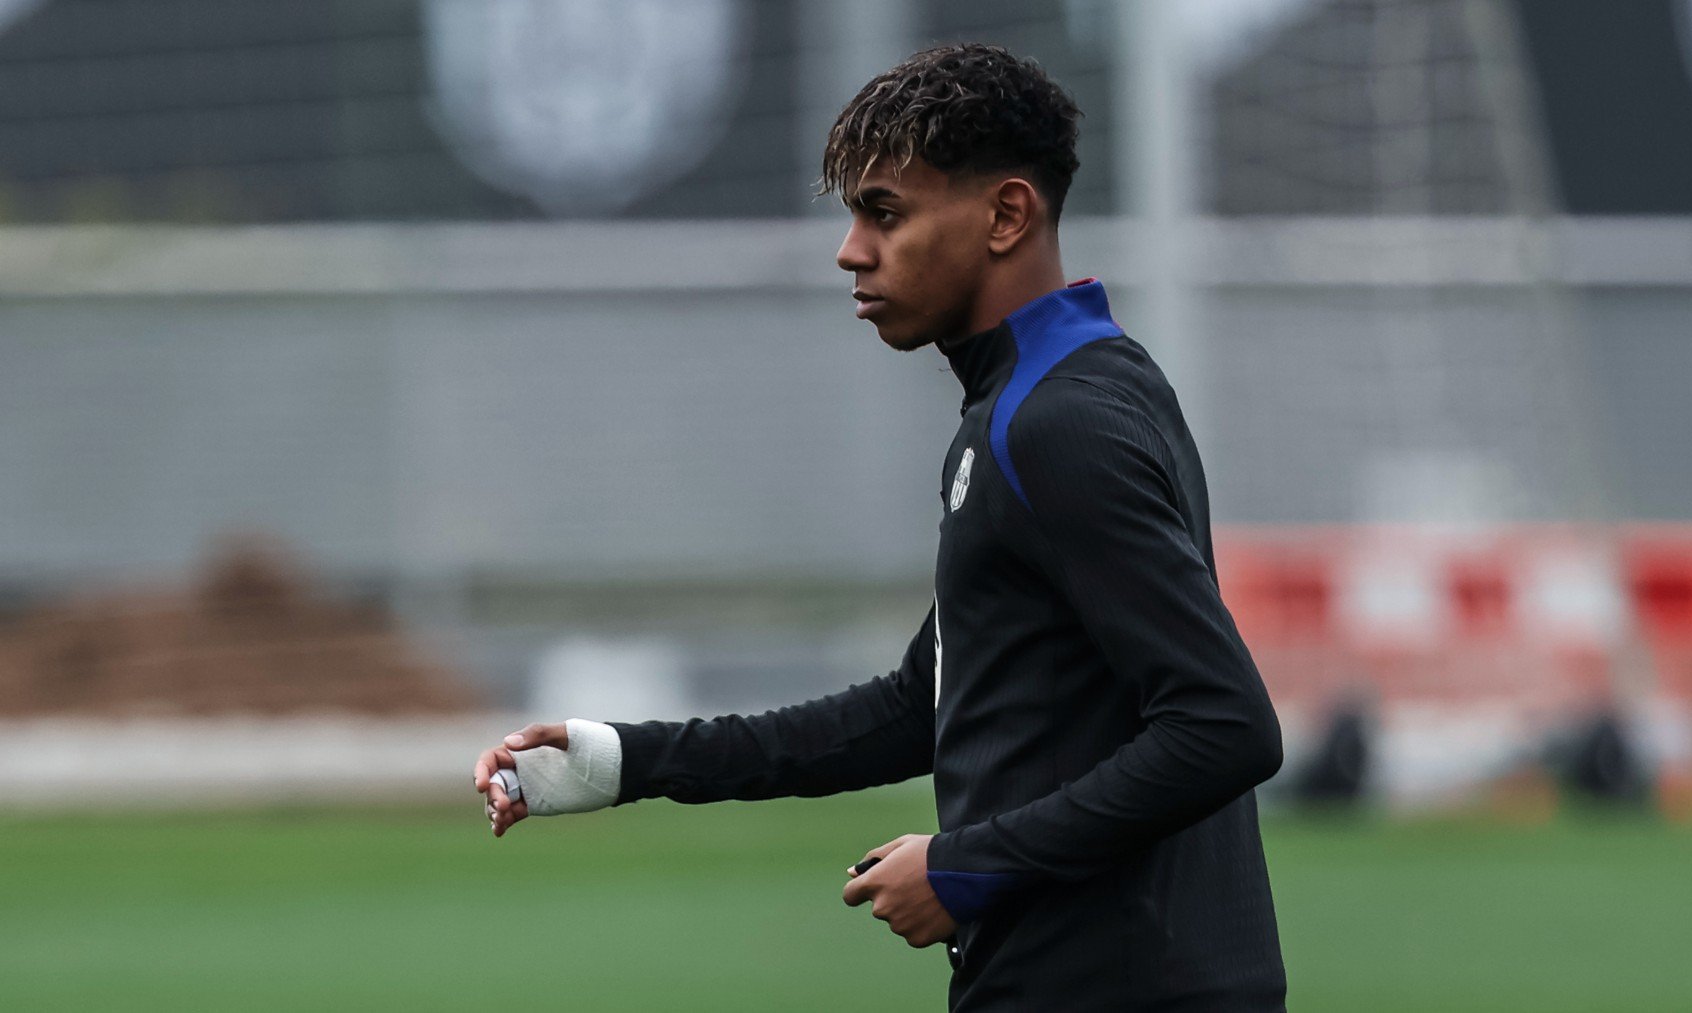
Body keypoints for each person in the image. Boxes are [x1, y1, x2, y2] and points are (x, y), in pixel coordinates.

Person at [473, 42, 1287, 1010]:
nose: (851, 248)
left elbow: (1224, 723)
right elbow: (922, 704)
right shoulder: (1047, 398)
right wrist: (625, 760)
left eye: (885, 213)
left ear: (1006, 214)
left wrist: (967, 865)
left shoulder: (1058, 424)